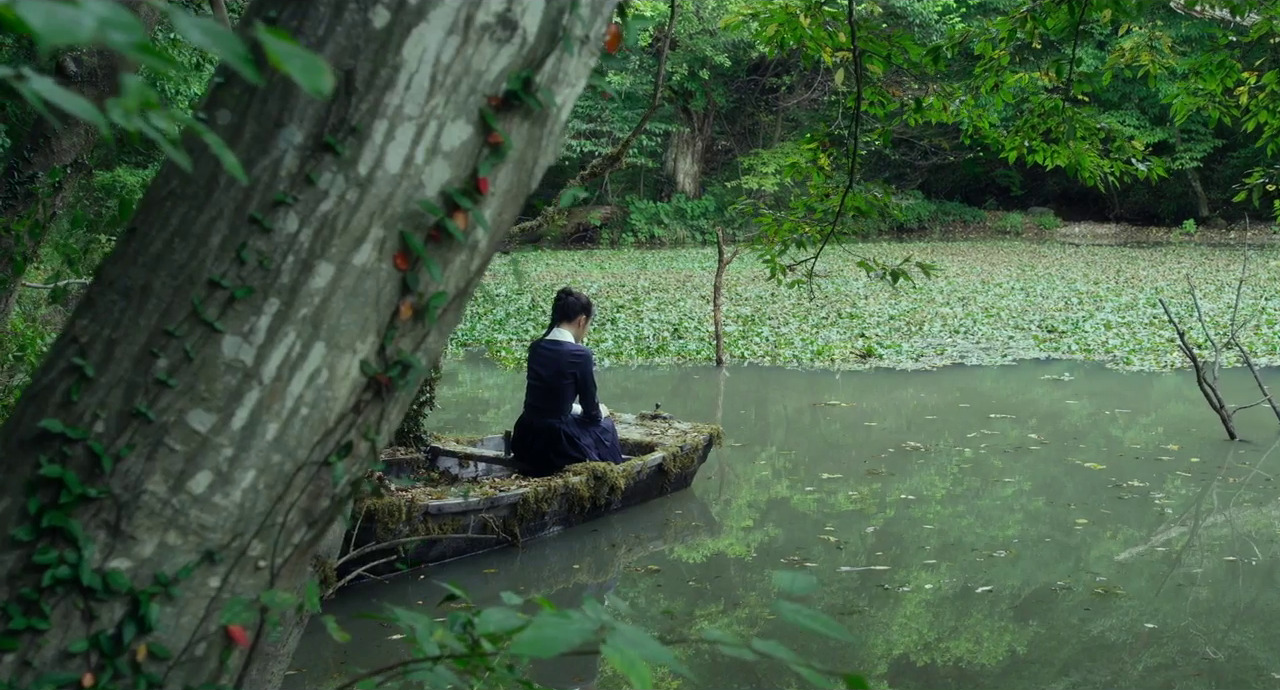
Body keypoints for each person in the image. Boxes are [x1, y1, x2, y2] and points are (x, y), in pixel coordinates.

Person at [511, 286, 624, 476]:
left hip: (525, 436)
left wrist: (575, 409)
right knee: (605, 426)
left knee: (575, 418)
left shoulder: (536, 347)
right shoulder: (580, 354)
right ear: (582, 321)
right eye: (588, 324)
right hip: (557, 443)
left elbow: (547, 402)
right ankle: (615, 477)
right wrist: (601, 412)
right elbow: (591, 410)